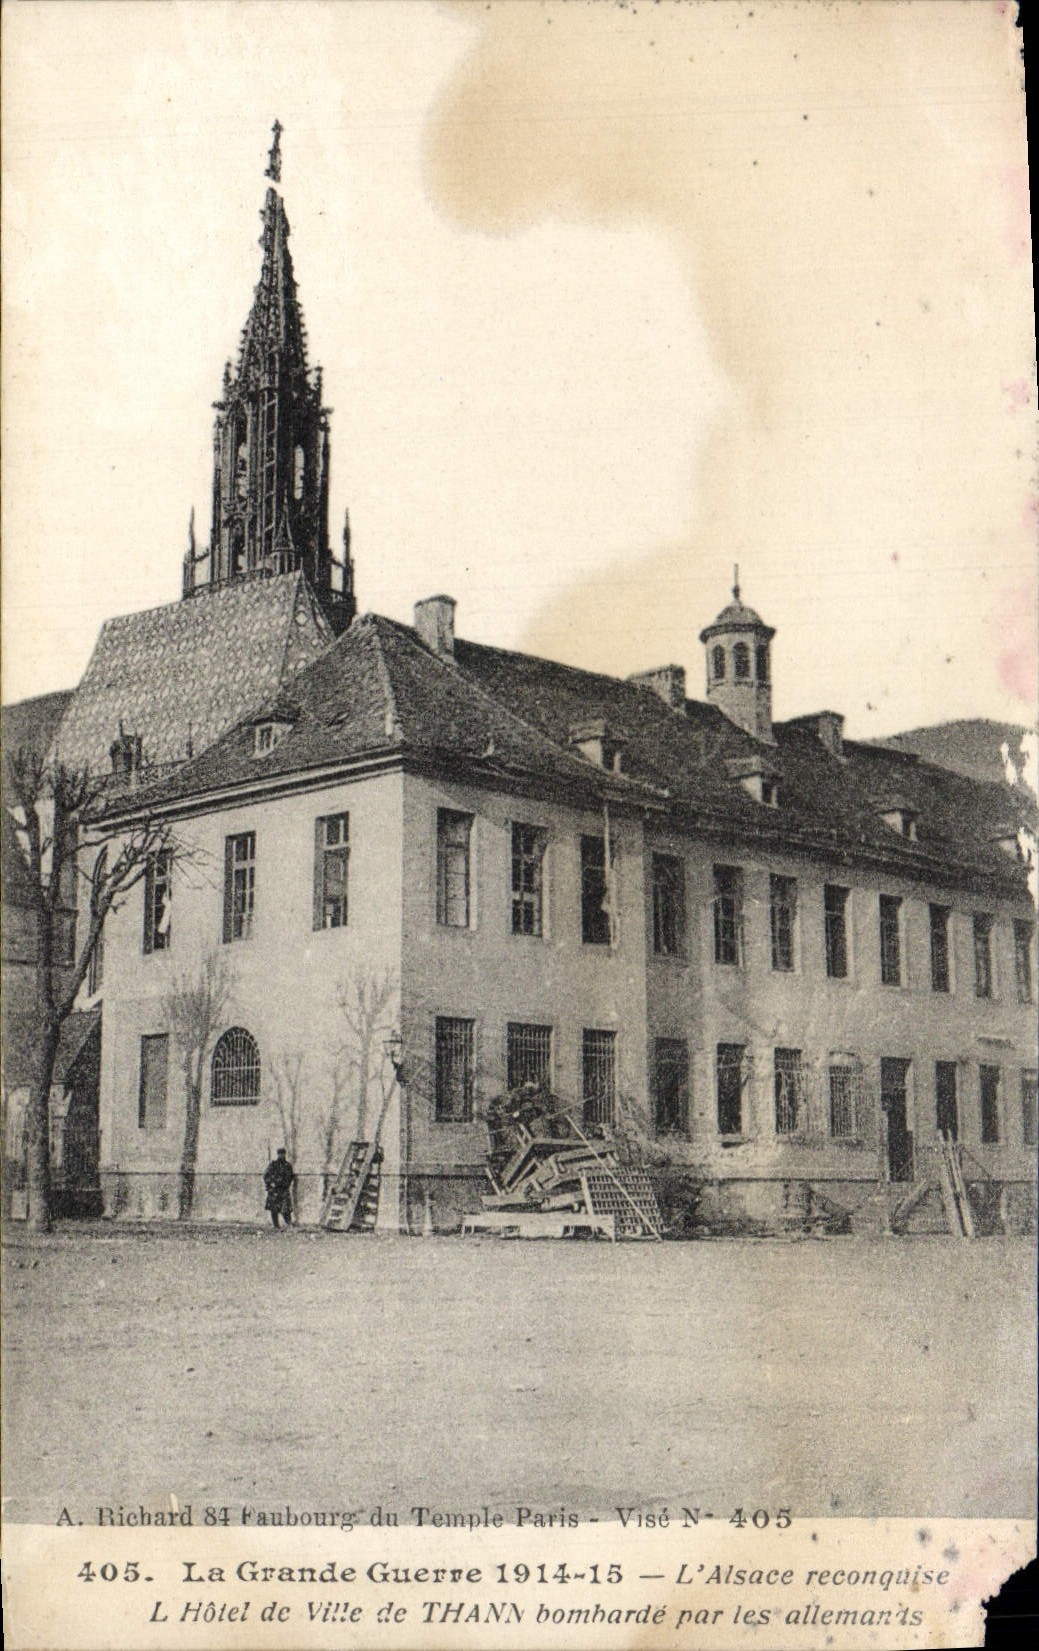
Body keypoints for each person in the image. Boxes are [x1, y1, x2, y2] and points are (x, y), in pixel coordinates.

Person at [263, 1148, 295, 1228]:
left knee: (286, 1209)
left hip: (284, 1189)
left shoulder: (288, 1165)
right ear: (278, 1154)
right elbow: (266, 1175)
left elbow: (291, 1176)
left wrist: (286, 1184)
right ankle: (276, 1225)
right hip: (274, 1190)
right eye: (280, 1154)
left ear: (285, 1154)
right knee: (274, 1209)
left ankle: (289, 1224)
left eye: (283, 1154)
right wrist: (270, 1184)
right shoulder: (273, 1164)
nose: (281, 1155)